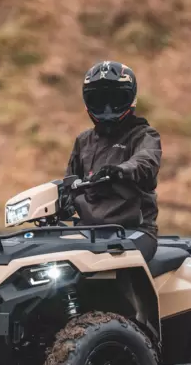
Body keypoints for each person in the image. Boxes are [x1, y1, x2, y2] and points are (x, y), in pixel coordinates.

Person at [66, 61, 162, 262]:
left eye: (116, 99)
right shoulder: (84, 141)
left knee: (113, 265)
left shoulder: (145, 136)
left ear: (131, 99)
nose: (108, 109)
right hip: (87, 232)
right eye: (99, 100)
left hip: (134, 231)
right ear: (88, 102)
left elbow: (146, 160)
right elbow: (69, 182)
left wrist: (121, 170)